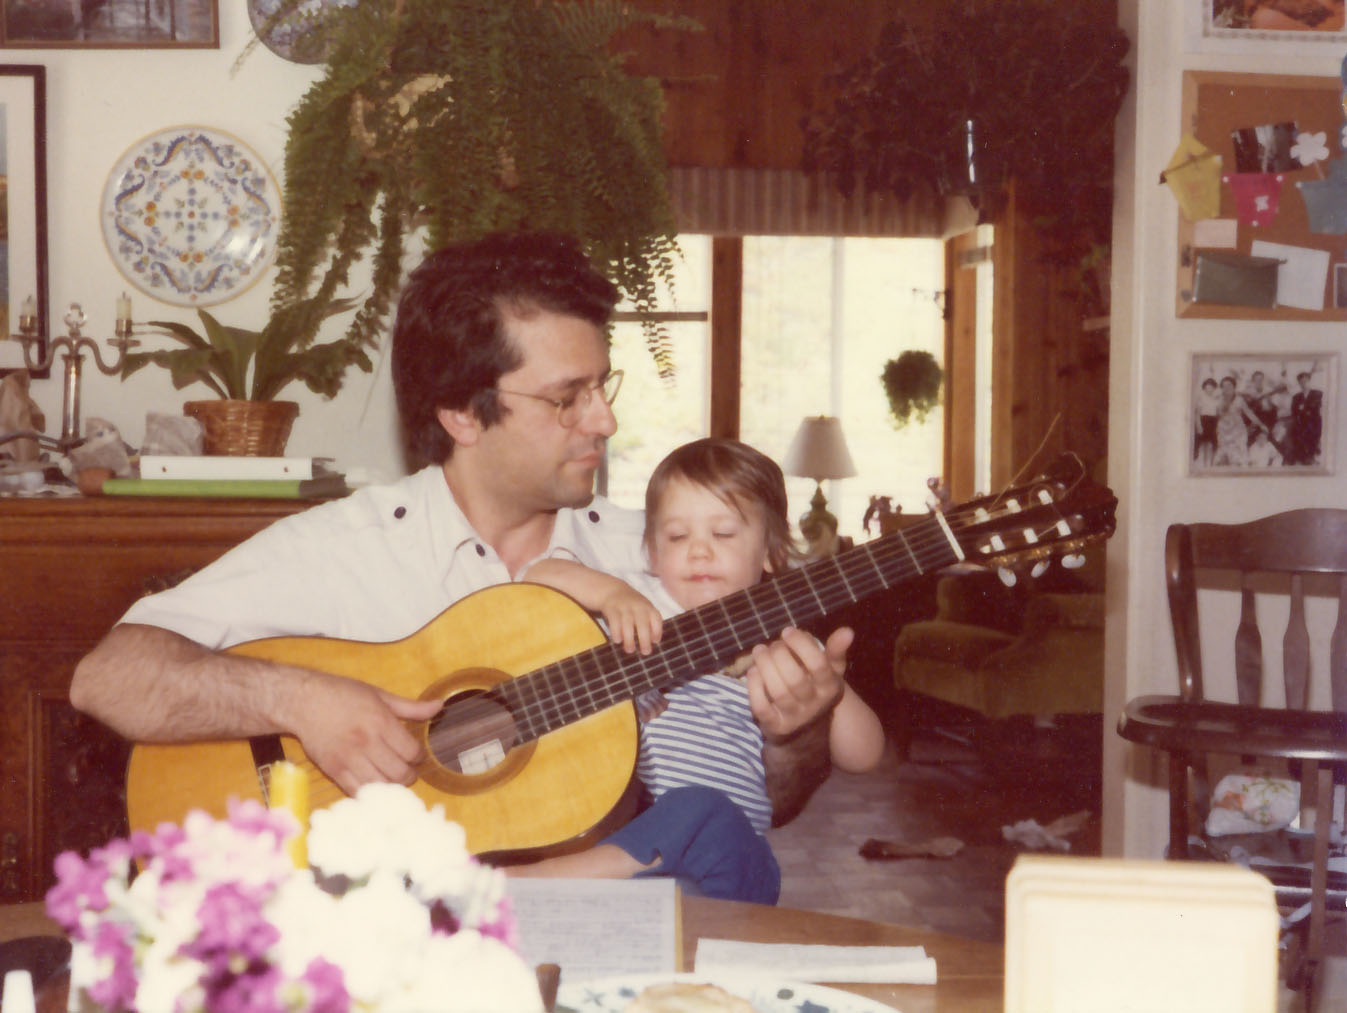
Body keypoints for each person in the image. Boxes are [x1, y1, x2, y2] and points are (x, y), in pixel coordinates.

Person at [69, 232, 851, 879]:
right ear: (460, 413)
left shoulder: (659, 562)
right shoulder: (349, 546)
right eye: (566, 397)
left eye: (602, 386)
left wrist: (793, 734)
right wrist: (297, 699)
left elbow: (757, 803)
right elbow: (109, 677)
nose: (605, 419)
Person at [509, 438, 885, 896]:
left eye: (723, 534)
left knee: (705, 811)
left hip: (725, 860)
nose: (699, 551)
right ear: (651, 551)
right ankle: (554, 880)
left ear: (770, 551)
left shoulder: (783, 644)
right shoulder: (635, 602)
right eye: (677, 536)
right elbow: (534, 576)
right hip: (621, 839)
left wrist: (831, 691)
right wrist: (609, 593)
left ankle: (526, 887)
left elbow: (866, 755)